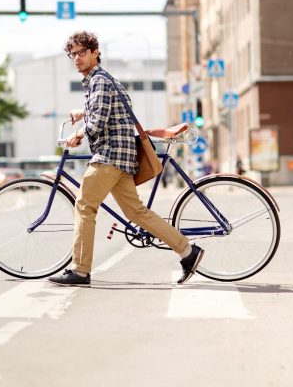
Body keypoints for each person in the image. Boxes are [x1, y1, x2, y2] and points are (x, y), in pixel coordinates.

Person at [48, 31, 203, 287]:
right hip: (122, 156)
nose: (76, 58)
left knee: (85, 206)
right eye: (72, 54)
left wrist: (77, 135)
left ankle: (80, 270)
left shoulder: (98, 80)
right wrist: (84, 112)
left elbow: (99, 122)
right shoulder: (104, 80)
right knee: (137, 212)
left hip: (109, 156)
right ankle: (188, 252)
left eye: (81, 52)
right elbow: (108, 111)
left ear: (95, 52)